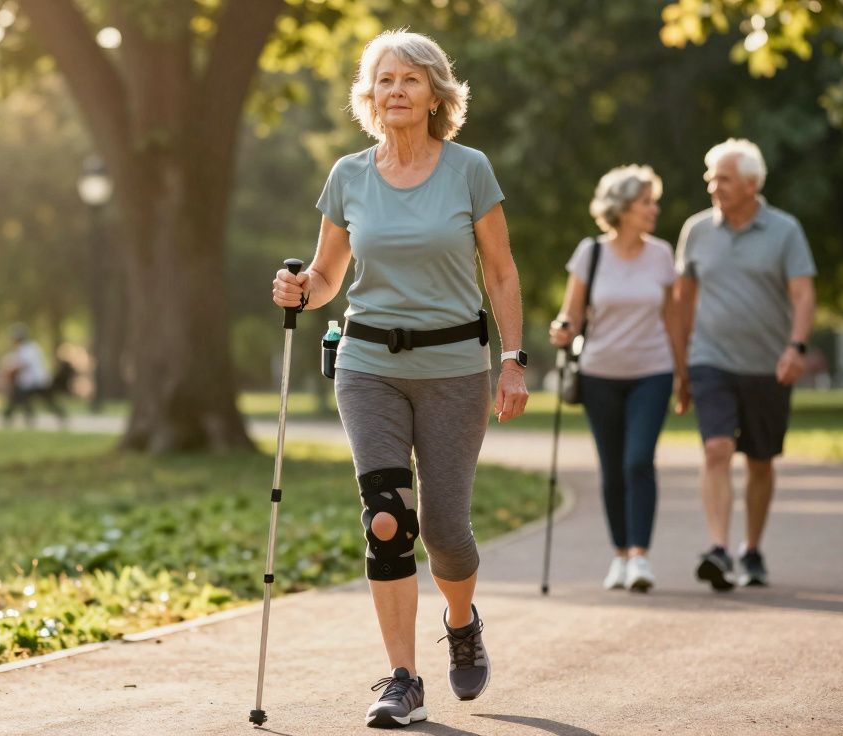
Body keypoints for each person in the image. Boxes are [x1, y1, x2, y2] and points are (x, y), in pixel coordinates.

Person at [271, 30, 527, 730]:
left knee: (446, 529)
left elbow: (501, 271)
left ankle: (461, 617)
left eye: (411, 79)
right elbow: (327, 277)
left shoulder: (469, 169)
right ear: (369, 95)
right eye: (384, 80)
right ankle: (403, 679)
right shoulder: (348, 176)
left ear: (437, 93)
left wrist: (513, 359)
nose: (396, 91)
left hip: (454, 368)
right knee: (388, 520)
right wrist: (300, 288)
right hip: (368, 364)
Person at [673, 139, 817, 591]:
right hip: (710, 359)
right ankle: (718, 548)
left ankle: (751, 549)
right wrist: (681, 364)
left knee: (759, 460)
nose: (714, 186)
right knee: (716, 449)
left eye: (725, 179)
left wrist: (796, 347)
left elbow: (803, 294)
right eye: (711, 177)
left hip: (769, 365)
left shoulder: (785, 230)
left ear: (753, 184)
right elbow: (683, 299)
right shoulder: (696, 231)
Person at [549, 165, 685, 594]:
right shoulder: (590, 253)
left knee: (638, 460)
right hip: (599, 375)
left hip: (653, 372)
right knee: (612, 469)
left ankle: (641, 558)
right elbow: (571, 312)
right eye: (646, 202)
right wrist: (563, 328)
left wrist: (683, 373)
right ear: (623, 208)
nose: (654, 209)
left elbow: (673, 319)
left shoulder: (662, 255)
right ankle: (620, 555)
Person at [1, 324, 67, 428]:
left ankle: (15, 418)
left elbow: (25, 364)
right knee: (19, 399)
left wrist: (13, 369)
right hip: (29, 382)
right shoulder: (25, 349)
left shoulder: (29, 349)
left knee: (44, 401)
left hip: (37, 381)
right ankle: (16, 418)